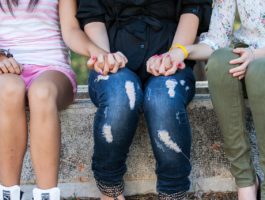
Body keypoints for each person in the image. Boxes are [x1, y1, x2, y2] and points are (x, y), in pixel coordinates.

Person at [60, 0, 212, 199]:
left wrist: (171, 57)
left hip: (171, 54)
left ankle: (173, 193)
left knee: (164, 98)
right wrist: (106, 58)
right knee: (120, 95)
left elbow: (192, 8)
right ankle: (110, 189)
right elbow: (92, 16)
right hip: (111, 55)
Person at [151, 0, 265, 199]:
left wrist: (256, 55)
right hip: (248, 59)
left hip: (258, 64)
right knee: (220, 60)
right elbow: (216, 40)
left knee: (259, 70)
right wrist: (182, 52)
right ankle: (246, 182)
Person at [0, 0, 77, 199]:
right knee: (8, 89)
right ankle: (8, 193)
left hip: (52, 68)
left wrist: (96, 52)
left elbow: (71, 31)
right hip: (6, 69)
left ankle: (47, 194)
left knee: (41, 93)